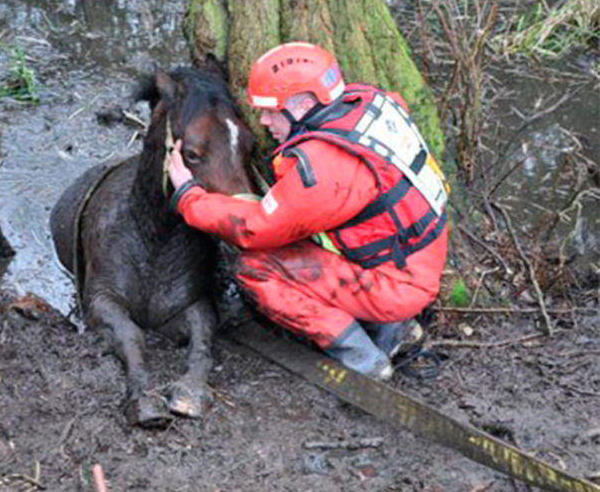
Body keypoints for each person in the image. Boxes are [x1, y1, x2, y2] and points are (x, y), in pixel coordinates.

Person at [167, 42, 449, 380]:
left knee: (253, 266)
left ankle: (363, 360)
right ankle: (392, 329)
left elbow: (254, 230)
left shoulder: (323, 170)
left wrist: (188, 196)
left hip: (398, 284)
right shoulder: (370, 103)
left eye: (271, 111)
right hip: (416, 258)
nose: (263, 120)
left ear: (302, 104)